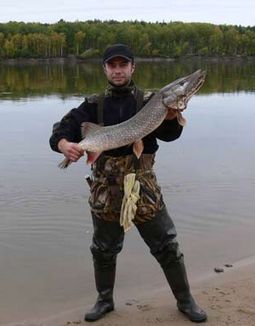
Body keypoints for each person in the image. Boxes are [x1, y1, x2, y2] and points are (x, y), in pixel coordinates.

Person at [49, 44, 207, 323]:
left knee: (166, 244)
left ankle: (185, 301)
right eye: (113, 65)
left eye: (124, 65)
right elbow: (61, 130)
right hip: (105, 189)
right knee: (103, 249)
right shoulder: (93, 105)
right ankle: (104, 301)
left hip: (143, 185)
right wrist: (65, 145)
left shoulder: (149, 101)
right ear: (105, 69)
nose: (118, 70)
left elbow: (171, 136)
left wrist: (171, 115)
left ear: (133, 68)